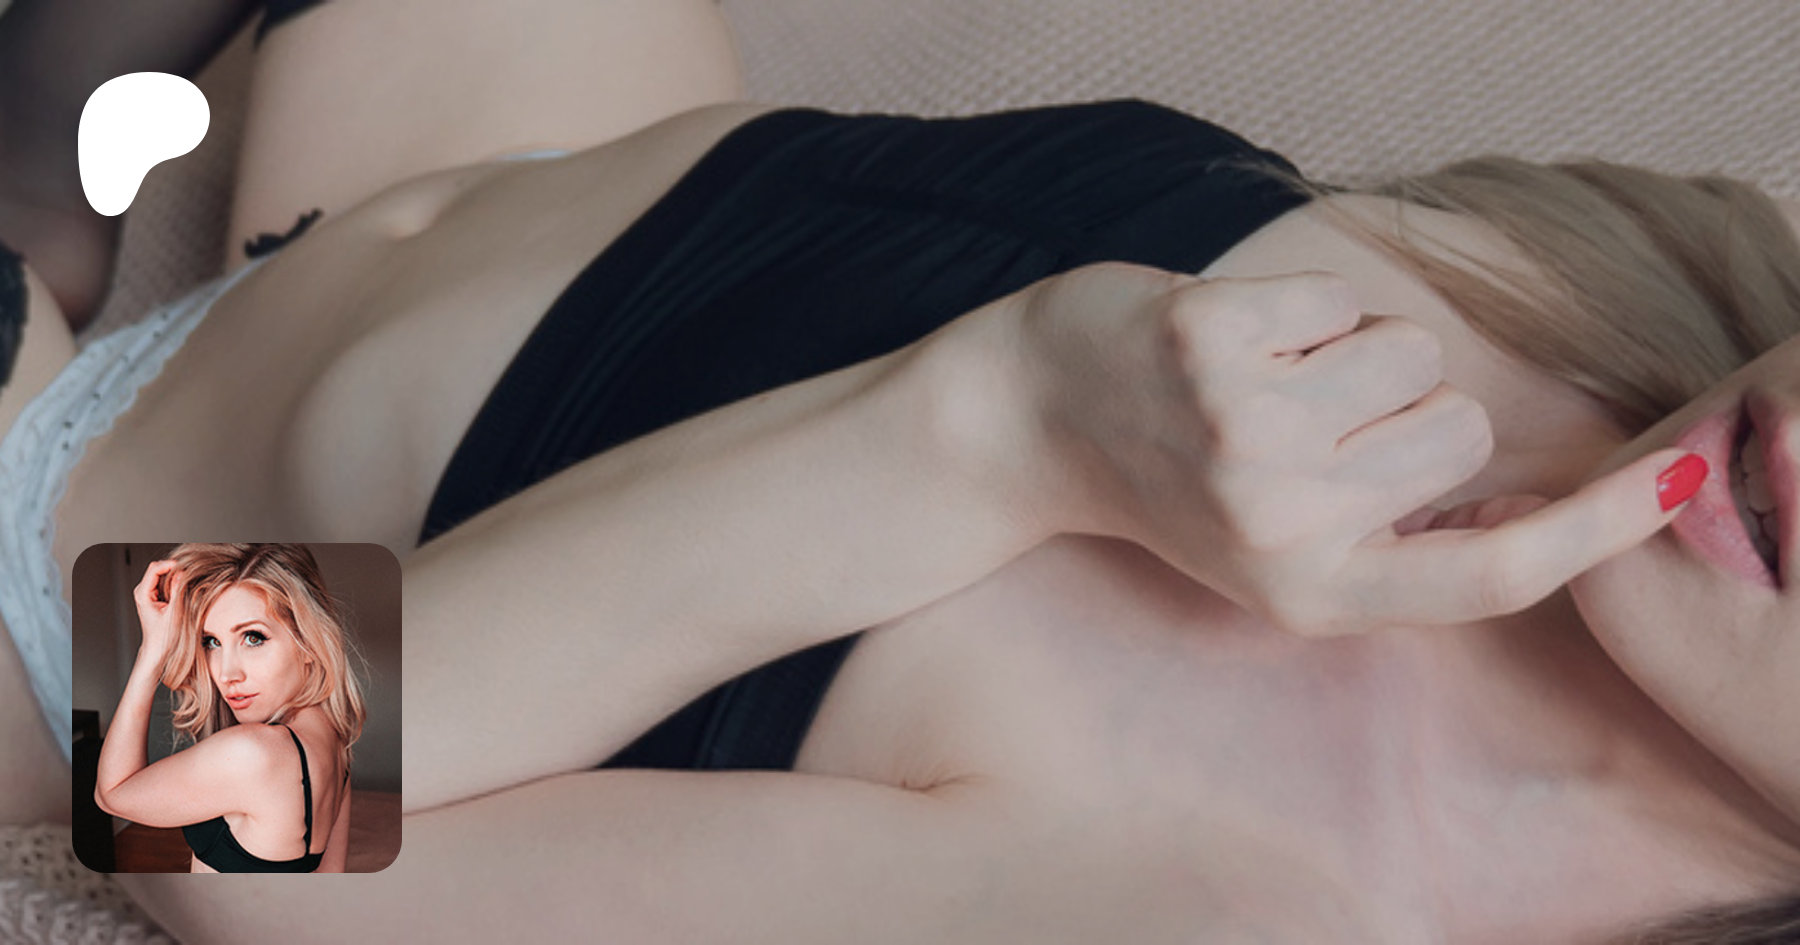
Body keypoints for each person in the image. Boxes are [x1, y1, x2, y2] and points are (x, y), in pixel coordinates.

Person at [0, 0, 1796, 940]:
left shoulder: (1248, 908)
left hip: (88, 570)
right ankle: (51, 168)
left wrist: (1012, 426)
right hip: (491, 163)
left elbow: (203, 803)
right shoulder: (1668, 290)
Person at [92, 543, 364, 873]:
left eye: (253, 637)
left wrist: (152, 653)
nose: (226, 673)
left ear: (308, 643)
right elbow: (331, 874)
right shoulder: (335, 742)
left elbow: (111, 795)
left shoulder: (254, 752)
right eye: (212, 642)